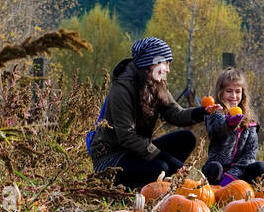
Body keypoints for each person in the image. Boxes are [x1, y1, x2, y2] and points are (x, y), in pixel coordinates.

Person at [88, 38, 216, 188]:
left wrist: (200, 112)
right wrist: (165, 157)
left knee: (186, 138)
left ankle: (165, 180)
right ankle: (151, 183)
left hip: (135, 152)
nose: (168, 69)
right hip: (112, 158)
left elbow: (174, 112)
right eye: (165, 63)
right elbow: (127, 137)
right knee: (160, 167)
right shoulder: (122, 90)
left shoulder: (156, 83)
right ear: (151, 63)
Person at [200, 67, 264, 187]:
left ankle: (241, 188)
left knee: (260, 167)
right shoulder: (215, 113)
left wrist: (231, 176)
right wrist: (229, 125)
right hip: (217, 170)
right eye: (229, 91)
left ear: (243, 93)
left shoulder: (250, 121)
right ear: (221, 92)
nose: (234, 96)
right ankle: (215, 189)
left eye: (237, 91)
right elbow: (216, 131)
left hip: (239, 173)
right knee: (214, 167)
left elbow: (250, 155)